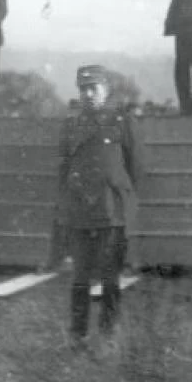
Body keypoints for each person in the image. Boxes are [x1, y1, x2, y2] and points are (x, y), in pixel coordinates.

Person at [51, 65, 143, 349]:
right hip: (80, 212)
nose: (89, 94)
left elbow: (136, 167)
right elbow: (64, 168)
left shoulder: (122, 121)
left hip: (110, 212)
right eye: (84, 89)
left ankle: (108, 332)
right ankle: (78, 335)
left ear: (106, 89)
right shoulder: (72, 124)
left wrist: (123, 199)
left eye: (94, 88)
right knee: (80, 277)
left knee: (110, 277)